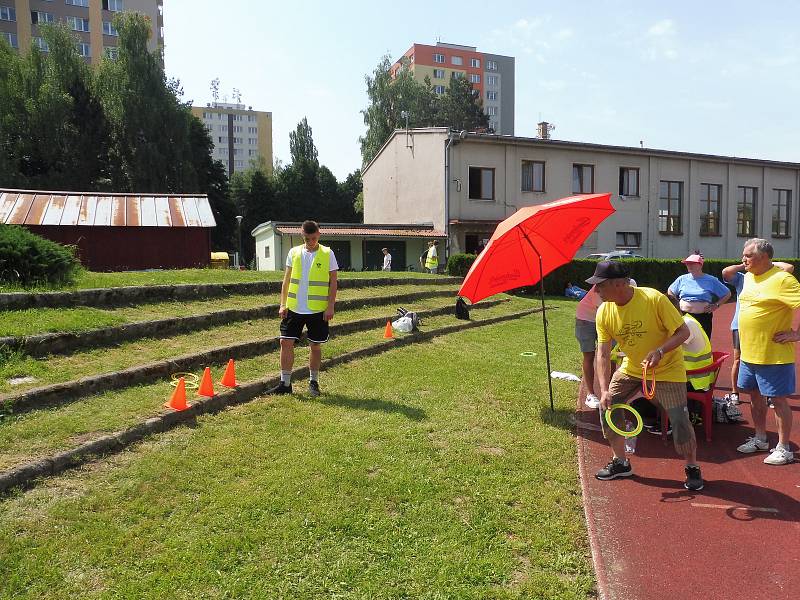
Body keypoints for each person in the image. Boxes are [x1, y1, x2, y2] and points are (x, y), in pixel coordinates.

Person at [589, 260, 703, 491]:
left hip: (668, 370)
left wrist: (660, 351)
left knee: (679, 420)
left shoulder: (653, 299)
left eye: (600, 285)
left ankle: (692, 467)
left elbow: (683, 332)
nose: (595, 290)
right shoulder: (604, 311)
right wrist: (604, 390)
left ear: (619, 284)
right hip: (632, 367)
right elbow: (602, 353)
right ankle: (620, 462)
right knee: (608, 405)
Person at [732, 239, 800, 465]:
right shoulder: (750, 276)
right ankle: (760, 438)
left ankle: (784, 448)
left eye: (748, 256)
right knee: (754, 395)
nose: (743, 260)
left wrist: (797, 334)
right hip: (749, 353)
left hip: (774, 355)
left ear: (764, 258)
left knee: (779, 400)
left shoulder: (783, 280)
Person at [268, 220, 338, 398]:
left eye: (314, 238)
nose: (311, 242)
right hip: (294, 308)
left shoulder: (327, 253)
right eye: (307, 239)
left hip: (317, 310)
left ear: (319, 235)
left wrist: (330, 306)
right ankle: (285, 383)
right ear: (302, 236)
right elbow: (287, 280)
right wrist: (283, 304)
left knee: (315, 346)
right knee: (285, 342)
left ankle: (313, 382)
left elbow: (333, 282)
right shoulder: (294, 252)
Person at [721, 258, 794, 406]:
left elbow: (789, 267)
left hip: (765, 330)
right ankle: (735, 392)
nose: (745, 259)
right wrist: (746, 264)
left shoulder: (774, 278)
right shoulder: (743, 278)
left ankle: (769, 394)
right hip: (739, 327)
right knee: (738, 359)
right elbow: (726, 272)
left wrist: (769, 263)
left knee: (765, 359)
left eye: (749, 256)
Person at [667, 252, 730, 339]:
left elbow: (727, 293)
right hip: (683, 316)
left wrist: (716, 305)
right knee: (683, 341)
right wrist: (676, 305)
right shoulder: (682, 279)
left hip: (703, 317)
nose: (689, 265)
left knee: (703, 342)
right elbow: (670, 291)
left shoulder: (710, 280)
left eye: (692, 263)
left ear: (700, 265)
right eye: (687, 263)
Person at [575, 285, 603, 408]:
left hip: (603, 318)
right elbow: (606, 310)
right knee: (589, 355)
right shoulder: (600, 288)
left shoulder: (631, 284)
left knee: (610, 355)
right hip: (586, 318)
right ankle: (590, 394)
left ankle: (609, 391)